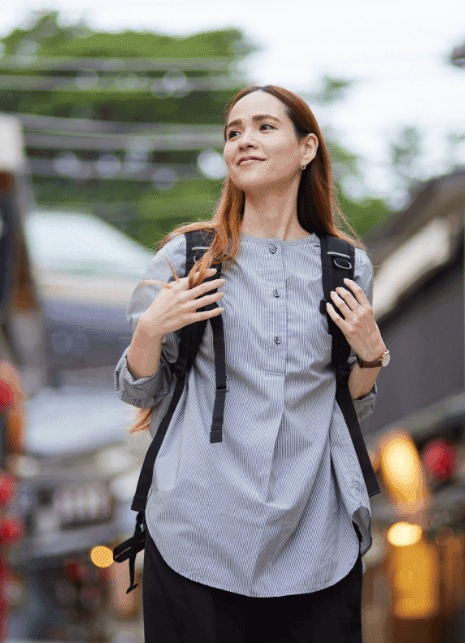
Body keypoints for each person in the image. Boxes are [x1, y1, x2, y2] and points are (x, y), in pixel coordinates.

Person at [114, 85, 388, 642]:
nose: (244, 141)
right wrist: (150, 330)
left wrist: (372, 354)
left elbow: (349, 403)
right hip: (196, 528)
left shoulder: (346, 266)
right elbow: (140, 391)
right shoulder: (189, 258)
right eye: (233, 132)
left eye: (264, 127)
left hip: (315, 534)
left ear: (307, 148)